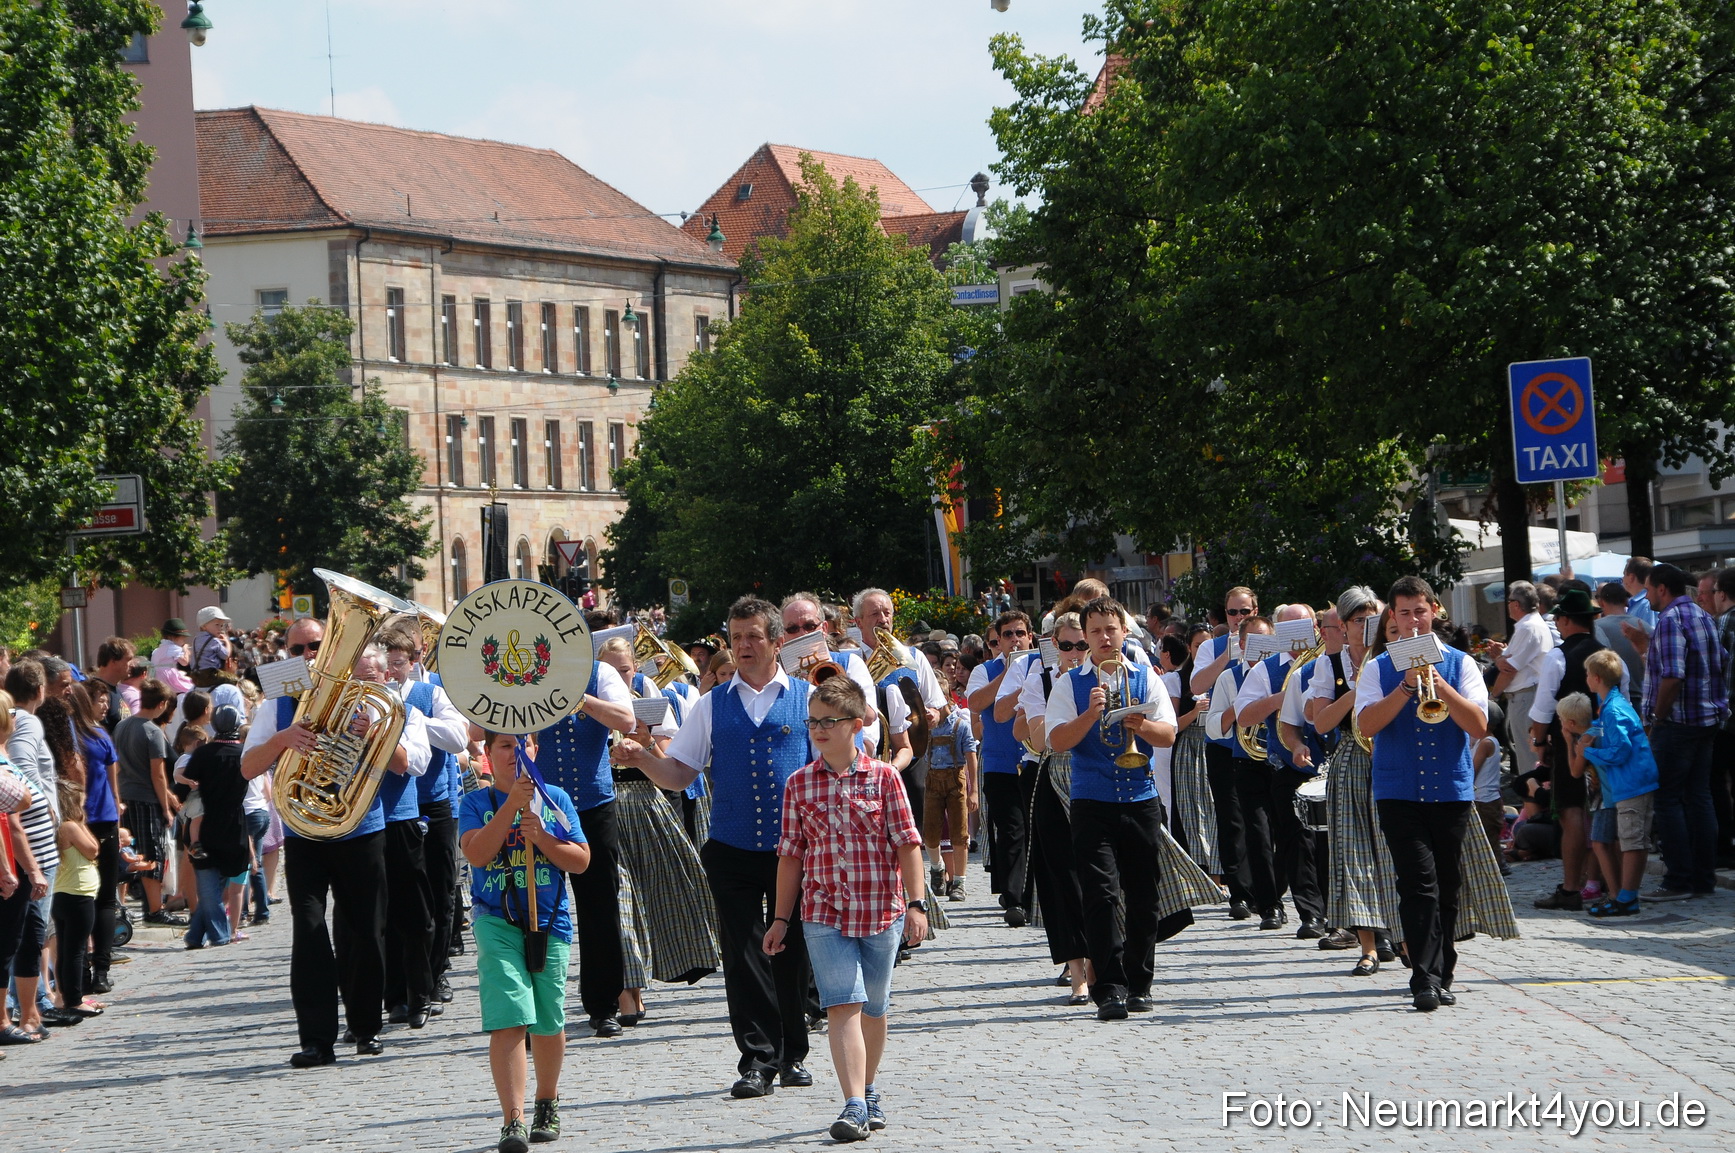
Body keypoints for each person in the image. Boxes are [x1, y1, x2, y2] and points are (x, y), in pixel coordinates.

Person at [611, 596, 817, 1098]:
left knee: (791, 951)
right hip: (730, 845)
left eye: (754, 636)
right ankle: (757, 1058)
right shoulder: (710, 704)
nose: (744, 646)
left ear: (776, 641)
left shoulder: (808, 699)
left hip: (794, 849)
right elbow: (679, 775)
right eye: (737, 636)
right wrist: (641, 758)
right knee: (743, 953)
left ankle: (793, 1052)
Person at [764, 676, 928, 1143]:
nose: (818, 729)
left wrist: (916, 905)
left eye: (828, 721)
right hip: (823, 912)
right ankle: (854, 1103)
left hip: (881, 909)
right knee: (843, 1005)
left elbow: (908, 845)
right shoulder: (798, 784)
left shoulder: (885, 777)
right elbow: (791, 854)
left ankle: (869, 1087)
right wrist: (780, 918)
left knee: (874, 1007)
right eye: (812, 721)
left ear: (856, 726)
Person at [241, 616, 399, 1067]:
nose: (307, 656)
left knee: (366, 932)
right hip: (304, 831)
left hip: (360, 828)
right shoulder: (277, 704)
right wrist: (284, 740)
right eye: (296, 650)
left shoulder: (368, 697)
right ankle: (316, 1040)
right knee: (308, 933)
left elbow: (403, 763)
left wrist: (370, 735)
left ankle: (366, 1027)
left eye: (314, 645)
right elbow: (248, 767)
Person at [1355, 576, 1489, 1012]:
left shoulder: (1462, 664)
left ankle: (1443, 972)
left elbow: (1479, 726)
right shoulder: (1376, 668)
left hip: (1450, 789)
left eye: (1421, 611)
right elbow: (1367, 726)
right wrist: (1408, 685)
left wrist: (1438, 683)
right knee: (1418, 884)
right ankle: (1423, 978)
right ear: (1392, 616)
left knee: (1447, 886)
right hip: (1398, 791)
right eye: (1405, 613)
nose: (1413, 620)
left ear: (1435, 610)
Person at [1046, 597, 1181, 1021]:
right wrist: (1090, 715)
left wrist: (1141, 725)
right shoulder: (1070, 684)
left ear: (1124, 631)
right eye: (1096, 631)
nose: (1105, 637)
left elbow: (1169, 734)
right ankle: (1109, 987)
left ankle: (1141, 984)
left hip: (1140, 801)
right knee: (1100, 896)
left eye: (1111, 629)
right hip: (1092, 802)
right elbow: (1056, 741)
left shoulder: (1146, 678)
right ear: (1084, 638)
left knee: (1143, 895)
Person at [461, 731, 591, 1153]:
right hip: (496, 920)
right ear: (488, 754)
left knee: (548, 1019)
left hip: (549, 919)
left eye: (526, 746)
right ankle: (512, 1118)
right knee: (510, 1015)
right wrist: (511, 808)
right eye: (506, 747)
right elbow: (477, 855)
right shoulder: (475, 803)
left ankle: (546, 1100)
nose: (517, 754)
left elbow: (582, 860)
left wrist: (544, 839)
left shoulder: (555, 798)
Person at [531, 624, 638, 1038]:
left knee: (599, 907)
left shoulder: (600, 674)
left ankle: (603, 1003)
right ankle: (536, 1005)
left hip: (592, 804)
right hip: (541, 804)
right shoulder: (525, 675)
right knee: (533, 904)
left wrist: (582, 699)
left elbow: (626, 719)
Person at [1233, 602, 1327, 937]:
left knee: (1327, 843)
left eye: (1305, 626)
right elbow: (1243, 716)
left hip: (1332, 763)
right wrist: (1281, 698)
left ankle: (1336, 912)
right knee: (1296, 841)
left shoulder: (1331, 662)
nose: (1300, 635)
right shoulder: (1266, 669)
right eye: (1289, 629)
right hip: (1289, 764)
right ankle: (1310, 914)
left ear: (1316, 627)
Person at [1637, 562, 1728, 901]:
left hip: (1678, 723)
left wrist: (1658, 718)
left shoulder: (1671, 620)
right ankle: (1702, 879)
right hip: (1705, 720)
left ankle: (1678, 880)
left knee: (1668, 799)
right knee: (1699, 797)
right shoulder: (1704, 616)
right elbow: (1718, 662)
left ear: (1662, 588)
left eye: (1648, 590)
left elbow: (1672, 677)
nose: (1647, 597)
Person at [1016, 611, 1092, 1003]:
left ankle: (1104, 959)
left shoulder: (1109, 675)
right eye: (1067, 646)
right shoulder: (1040, 678)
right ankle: (1076, 968)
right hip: (1055, 774)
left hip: (1099, 774)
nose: (1076, 652)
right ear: (1053, 647)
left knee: (1101, 875)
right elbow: (1041, 738)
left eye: (1083, 644)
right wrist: (1065, 692)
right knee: (1062, 878)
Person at [1527, 587, 1607, 912]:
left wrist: (1538, 743)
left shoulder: (1558, 657)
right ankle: (1597, 883)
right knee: (1602, 811)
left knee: (1572, 812)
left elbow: (1543, 710)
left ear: (1564, 620)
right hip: (1606, 743)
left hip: (1570, 743)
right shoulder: (1606, 653)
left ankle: (1572, 888)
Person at [1575, 649, 1660, 917]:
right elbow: (1607, 730)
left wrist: (1586, 752)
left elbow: (1620, 750)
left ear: (1597, 678)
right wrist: (1589, 733)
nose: (1586, 678)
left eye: (1588, 674)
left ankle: (1626, 899)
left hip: (1632, 783)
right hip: (1631, 782)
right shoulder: (1612, 704)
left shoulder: (1613, 708)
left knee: (1633, 842)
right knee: (1630, 840)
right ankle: (1624, 896)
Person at [1192, 586, 1259, 919]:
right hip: (1223, 743)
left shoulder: (1265, 638)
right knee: (1231, 818)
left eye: (1245, 612)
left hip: (1261, 743)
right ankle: (1239, 892)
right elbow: (1195, 685)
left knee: (1260, 819)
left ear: (1255, 611)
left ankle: (1265, 886)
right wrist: (1227, 655)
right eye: (1233, 613)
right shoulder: (1211, 646)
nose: (1238, 619)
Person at [973, 611, 1037, 926]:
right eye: (1007, 635)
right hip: (1000, 764)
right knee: (1012, 830)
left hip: (1035, 759)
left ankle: (1033, 893)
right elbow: (975, 703)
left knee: (1034, 829)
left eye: (1020, 633)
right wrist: (1007, 672)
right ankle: (1014, 899)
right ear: (998, 641)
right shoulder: (985, 670)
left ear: (1030, 636)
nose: (1014, 640)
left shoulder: (1042, 665)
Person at [179, 706, 251, 950]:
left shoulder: (203, 754)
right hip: (234, 820)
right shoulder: (243, 753)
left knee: (210, 880)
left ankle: (197, 935)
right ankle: (216, 935)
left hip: (206, 820)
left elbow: (187, 785)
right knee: (216, 882)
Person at [112, 679, 182, 925]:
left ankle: (125, 908)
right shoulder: (152, 731)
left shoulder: (122, 725)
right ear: (162, 704)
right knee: (151, 853)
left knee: (129, 854)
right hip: (146, 798)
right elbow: (158, 774)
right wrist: (166, 806)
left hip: (125, 795)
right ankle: (155, 910)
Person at [1487, 581, 1555, 786]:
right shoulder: (1530, 625)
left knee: (1529, 757)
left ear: (1516, 604)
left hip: (1526, 696)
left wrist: (1493, 696)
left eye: (1509, 601)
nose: (1507, 605)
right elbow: (1507, 662)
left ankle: (1533, 806)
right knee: (1527, 753)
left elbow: (1509, 669)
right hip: (1527, 694)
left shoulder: (1528, 626)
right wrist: (1501, 658)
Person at [48, 779, 103, 1023]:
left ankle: (68, 997)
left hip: (65, 893)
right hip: (77, 894)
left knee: (67, 949)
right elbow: (93, 849)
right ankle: (74, 1000)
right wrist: (82, 823)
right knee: (75, 950)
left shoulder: (63, 825)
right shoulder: (70, 826)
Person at [920, 679, 978, 901]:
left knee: (960, 834)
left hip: (956, 779)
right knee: (931, 833)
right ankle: (937, 867)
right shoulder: (927, 727)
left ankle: (959, 882)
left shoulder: (960, 725)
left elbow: (971, 757)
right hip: (933, 780)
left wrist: (973, 791)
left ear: (944, 700)